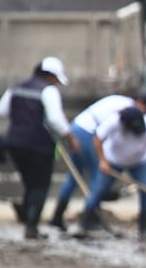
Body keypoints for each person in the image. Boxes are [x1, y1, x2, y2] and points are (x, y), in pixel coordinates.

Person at [0, 56, 80, 241]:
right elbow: (55, 119)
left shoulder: (16, 87)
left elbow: (1, 110)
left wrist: (22, 118)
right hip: (38, 145)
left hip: (15, 142)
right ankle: (31, 228)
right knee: (40, 186)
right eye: (56, 79)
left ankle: (28, 220)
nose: (57, 83)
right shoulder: (48, 90)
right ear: (50, 76)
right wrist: (71, 138)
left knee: (29, 184)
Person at [74, 105, 146, 242]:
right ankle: (82, 226)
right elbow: (97, 140)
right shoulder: (114, 121)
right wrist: (103, 161)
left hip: (139, 162)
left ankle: (143, 233)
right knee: (98, 191)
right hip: (113, 160)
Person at [48, 91, 139, 231]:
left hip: (77, 128)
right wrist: (104, 160)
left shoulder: (120, 101)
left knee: (74, 176)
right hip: (88, 132)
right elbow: (106, 135)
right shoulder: (127, 108)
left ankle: (57, 216)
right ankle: (90, 217)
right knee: (98, 176)